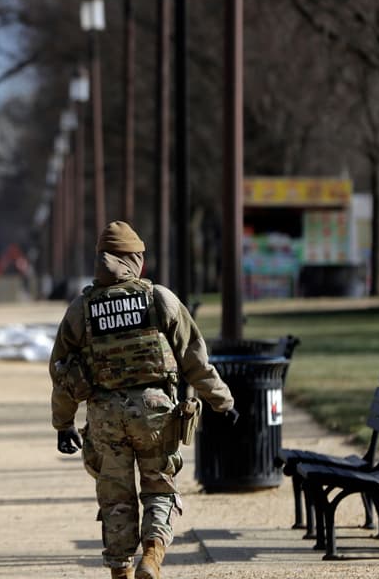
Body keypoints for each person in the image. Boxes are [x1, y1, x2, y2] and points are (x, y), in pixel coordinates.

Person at [49, 221, 238, 579]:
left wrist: (63, 424)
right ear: (135, 260)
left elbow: (62, 370)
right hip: (154, 413)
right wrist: (222, 402)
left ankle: (120, 571)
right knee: (159, 487)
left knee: (116, 499)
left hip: (103, 417)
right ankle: (152, 556)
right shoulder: (159, 299)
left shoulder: (81, 309)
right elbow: (194, 359)